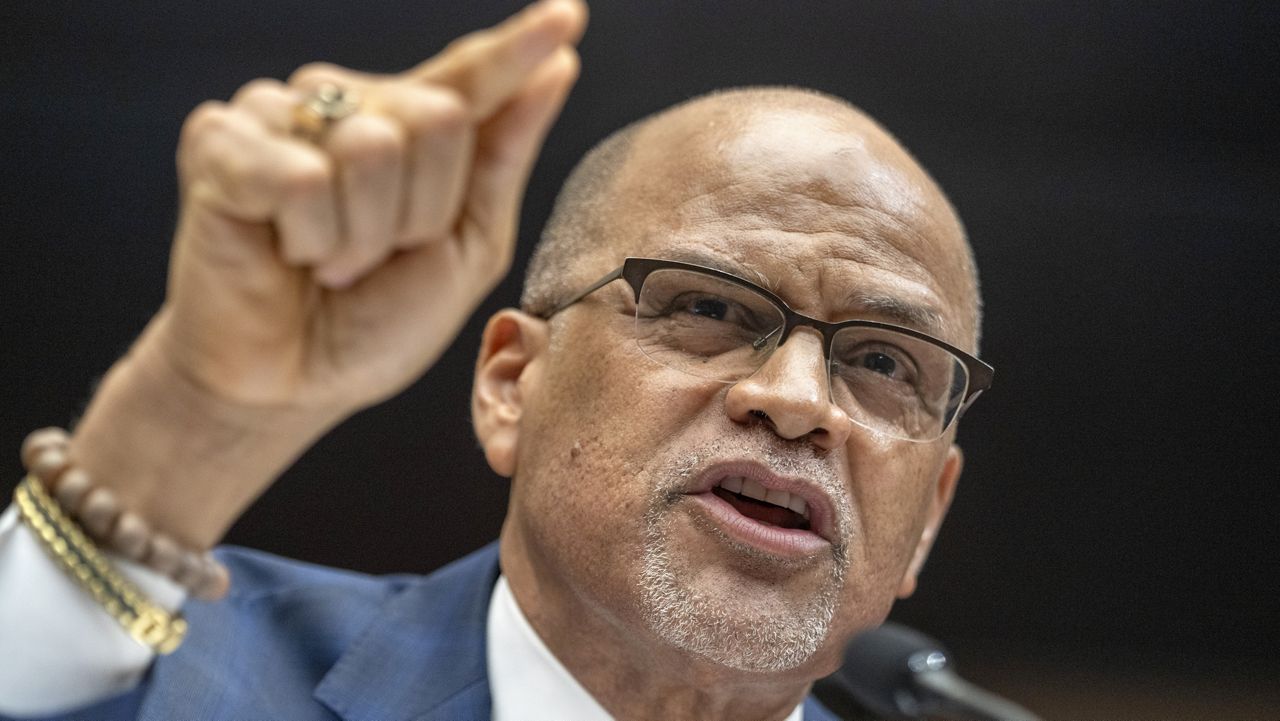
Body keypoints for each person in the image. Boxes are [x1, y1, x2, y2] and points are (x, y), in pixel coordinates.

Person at [0, 0, 993, 718]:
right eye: (705, 304)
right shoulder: (185, 675)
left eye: (884, 363)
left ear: (927, 519)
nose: (794, 400)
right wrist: (188, 410)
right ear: (510, 383)